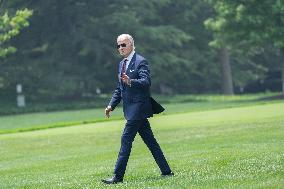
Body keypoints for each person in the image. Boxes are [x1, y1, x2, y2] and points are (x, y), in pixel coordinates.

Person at [102, 34, 174, 184]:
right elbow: (119, 89)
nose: (120, 48)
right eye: (118, 45)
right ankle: (166, 171)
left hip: (138, 108)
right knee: (151, 142)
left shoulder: (141, 61)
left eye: (124, 45)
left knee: (125, 140)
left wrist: (131, 81)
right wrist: (111, 105)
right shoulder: (121, 64)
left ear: (132, 45)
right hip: (132, 110)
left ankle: (117, 176)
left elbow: (146, 82)